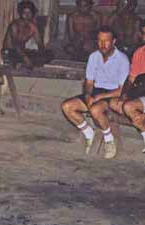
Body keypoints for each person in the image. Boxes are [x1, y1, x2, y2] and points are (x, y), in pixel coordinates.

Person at [61, 27, 129, 159]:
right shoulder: (94, 56)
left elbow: (121, 90)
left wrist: (99, 97)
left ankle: (109, 140)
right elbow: (89, 82)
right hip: (96, 91)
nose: (103, 44)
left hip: (112, 93)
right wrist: (87, 95)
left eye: (106, 41)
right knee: (67, 106)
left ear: (114, 41)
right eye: (100, 41)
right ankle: (88, 133)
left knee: (95, 110)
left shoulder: (122, 59)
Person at [109, 21, 145, 154]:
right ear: (141, 36)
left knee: (129, 108)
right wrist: (123, 95)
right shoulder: (139, 53)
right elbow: (131, 78)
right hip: (141, 92)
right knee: (114, 103)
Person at [2, 0, 54, 69]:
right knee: (12, 54)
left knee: (49, 54)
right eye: (24, 12)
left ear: (32, 13)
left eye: (29, 12)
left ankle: (24, 63)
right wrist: (25, 58)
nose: (27, 15)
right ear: (20, 13)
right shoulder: (15, 25)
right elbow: (15, 45)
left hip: (23, 52)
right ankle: (21, 63)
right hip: (11, 52)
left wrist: (41, 55)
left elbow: (40, 45)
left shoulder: (33, 26)